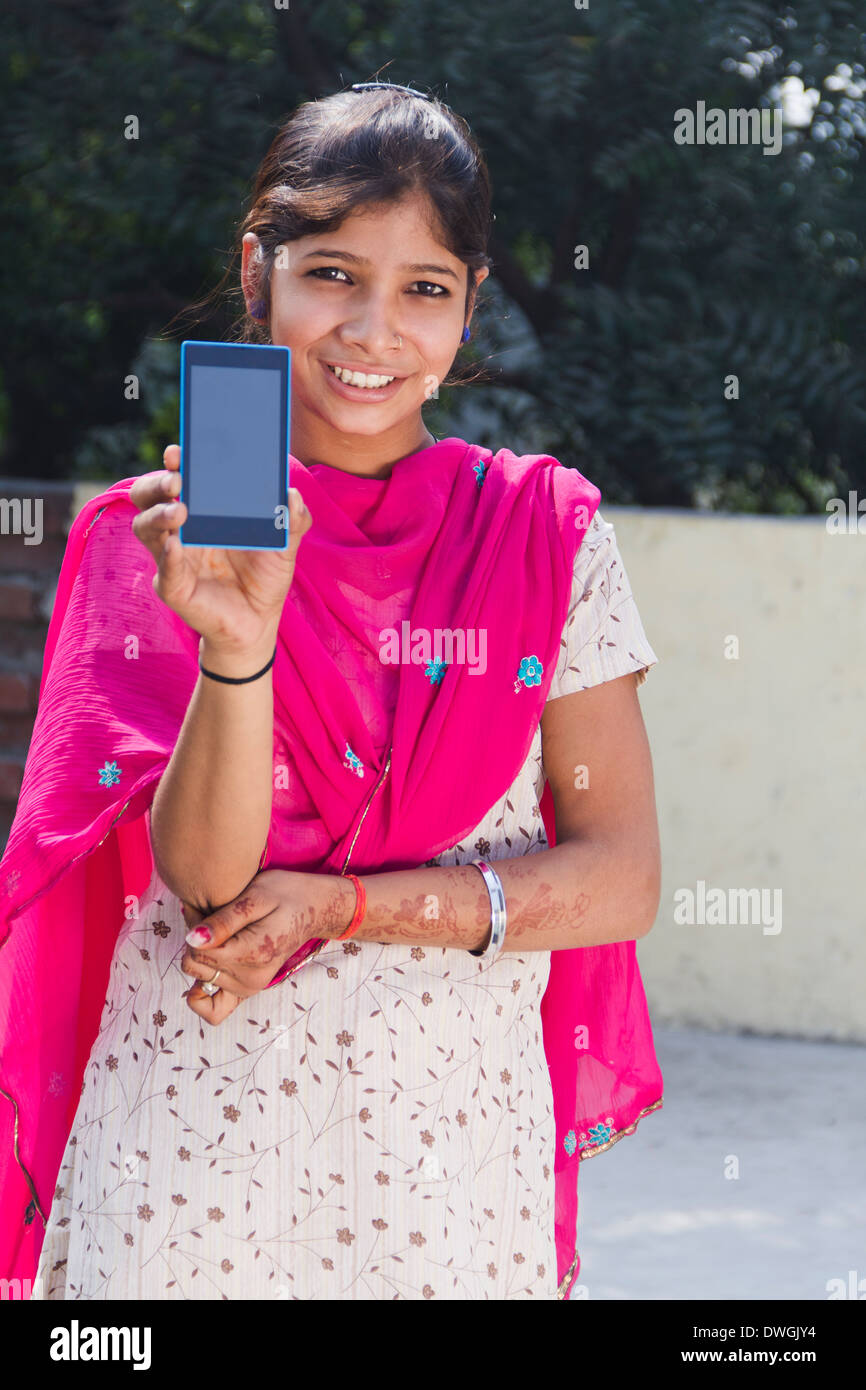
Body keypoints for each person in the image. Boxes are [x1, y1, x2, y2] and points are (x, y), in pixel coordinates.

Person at [0, 82, 663, 1302]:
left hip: (447, 1168)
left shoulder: (542, 536)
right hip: (191, 1157)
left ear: (467, 310)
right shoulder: (144, 543)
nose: (372, 329)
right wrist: (236, 644)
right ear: (259, 276)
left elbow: (618, 876)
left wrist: (342, 909)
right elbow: (205, 879)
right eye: (332, 274)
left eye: (424, 288)